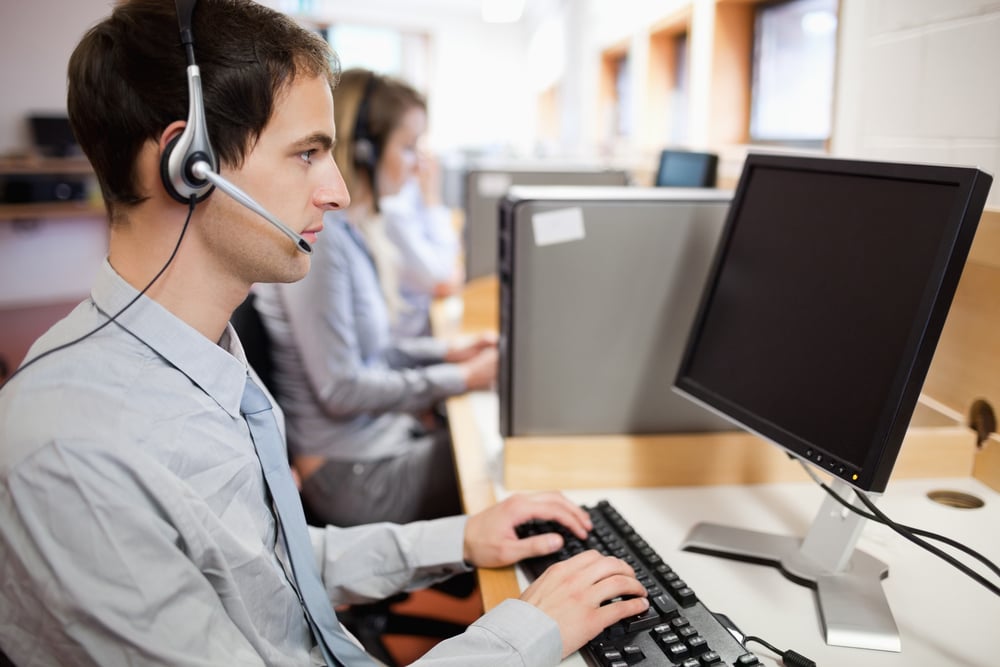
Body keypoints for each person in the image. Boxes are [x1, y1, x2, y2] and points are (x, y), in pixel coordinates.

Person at [0, 1, 649, 665]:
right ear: (187, 165)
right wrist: (526, 633)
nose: (337, 191)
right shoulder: (72, 452)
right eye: (307, 153)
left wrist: (459, 539)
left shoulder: (196, 354)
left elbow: (267, 562)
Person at [253, 69, 495, 528]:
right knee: (494, 451)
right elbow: (342, 388)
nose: (415, 163)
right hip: (349, 477)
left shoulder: (348, 231)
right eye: (407, 147)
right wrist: (459, 376)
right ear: (364, 149)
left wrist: (449, 353)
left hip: (374, 448)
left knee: (486, 437)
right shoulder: (321, 244)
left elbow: (376, 351)